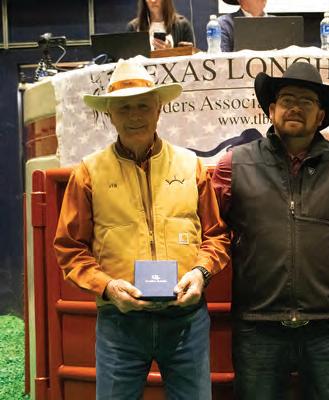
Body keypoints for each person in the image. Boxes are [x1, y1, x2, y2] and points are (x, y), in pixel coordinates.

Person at [54, 59, 230, 400]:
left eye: (143, 106)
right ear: (110, 114)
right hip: (119, 322)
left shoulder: (190, 166)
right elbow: (69, 247)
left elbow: (216, 236)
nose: (134, 115)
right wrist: (107, 287)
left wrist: (200, 273)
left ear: (158, 109)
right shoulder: (88, 173)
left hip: (186, 321)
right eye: (124, 107)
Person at [212, 61, 329, 399]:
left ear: (321, 116)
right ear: (271, 109)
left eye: (306, 101)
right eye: (287, 99)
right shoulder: (234, 163)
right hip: (258, 325)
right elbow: (207, 234)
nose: (295, 107)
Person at [127, 0, 194, 50]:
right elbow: (128, 61)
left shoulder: (183, 26)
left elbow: (192, 61)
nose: (153, 1)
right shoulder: (133, 27)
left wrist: (171, 52)